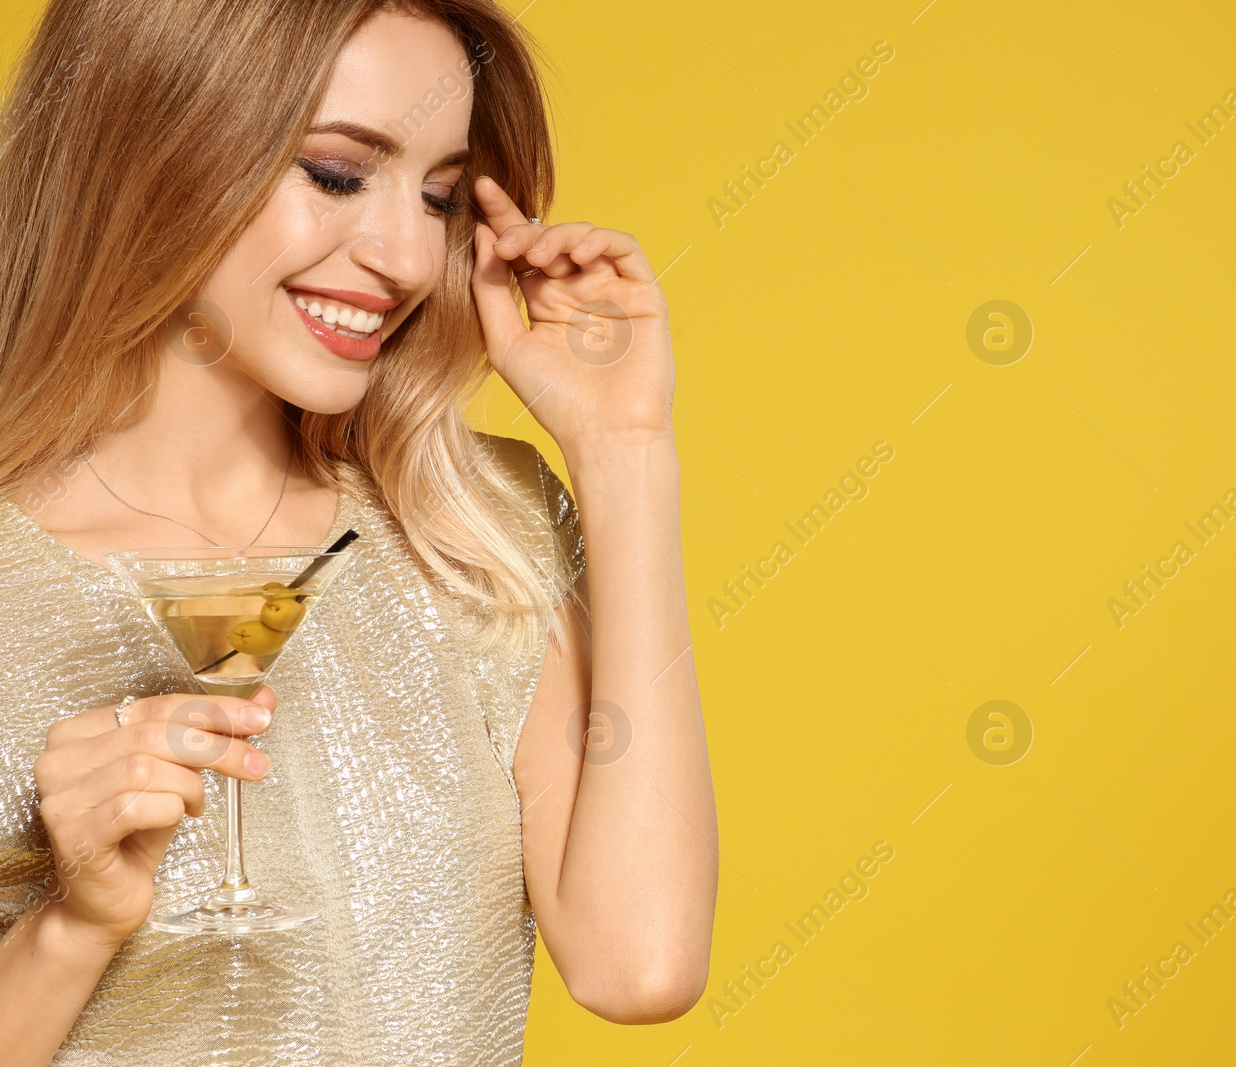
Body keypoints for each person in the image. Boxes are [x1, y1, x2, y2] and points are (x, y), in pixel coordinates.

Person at [0, 1, 717, 1063]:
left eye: (436, 197)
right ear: (153, 143)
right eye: (336, 175)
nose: (407, 259)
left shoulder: (471, 530)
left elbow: (638, 964)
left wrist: (625, 448)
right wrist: (76, 922)